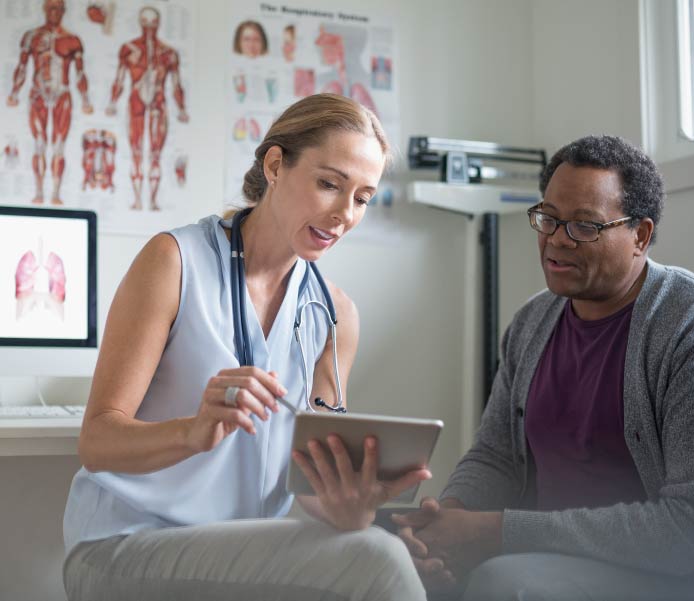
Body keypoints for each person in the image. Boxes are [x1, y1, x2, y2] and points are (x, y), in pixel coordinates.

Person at [393, 135, 694, 600]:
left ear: (640, 236)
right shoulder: (532, 322)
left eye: (584, 226)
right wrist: (447, 523)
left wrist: (494, 532)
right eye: (547, 218)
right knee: (403, 566)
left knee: (503, 585)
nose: (555, 240)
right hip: (558, 558)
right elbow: (496, 456)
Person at [62, 94, 430, 601]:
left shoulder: (334, 316)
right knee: (377, 564)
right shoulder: (174, 261)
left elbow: (312, 483)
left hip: (245, 553)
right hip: (125, 543)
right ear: (275, 165)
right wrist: (191, 432)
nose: (344, 214)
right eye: (329, 184)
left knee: (377, 544)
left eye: (363, 198)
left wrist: (352, 507)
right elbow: (97, 443)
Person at [6, 0, 93, 205]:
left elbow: (80, 73)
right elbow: (22, 67)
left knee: (59, 146)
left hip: (62, 95)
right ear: (45, 9)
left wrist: (86, 100)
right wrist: (14, 93)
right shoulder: (32, 37)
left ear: (64, 11)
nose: (54, 12)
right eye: (51, 8)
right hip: (38, 95)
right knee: (39, 144)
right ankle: (38, 192)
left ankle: (55, 193)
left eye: (58, 8)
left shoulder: (72, 40)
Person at [106, 6, 189, 212]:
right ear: (140, 24)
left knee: (154, 155)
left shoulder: (168, 53)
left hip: (158, 104)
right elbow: (119, 79)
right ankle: (137, 199)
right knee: (136, 152)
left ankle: (151, 201)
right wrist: (112, 103)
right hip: (136, 102)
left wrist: (181, 108)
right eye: (146, 24)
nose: (149, 29)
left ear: (158, 24)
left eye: (153, 24)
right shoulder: (129, 49)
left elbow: (176, 84)